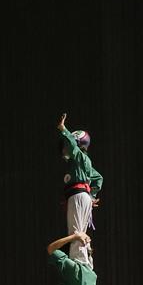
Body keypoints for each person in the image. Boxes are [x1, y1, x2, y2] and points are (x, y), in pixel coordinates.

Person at [57, 112, 103, 263]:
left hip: (77, 196)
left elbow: (72, 146)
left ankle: (79, 261)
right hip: (84, 197)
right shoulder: (85, 162)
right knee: (81, 231)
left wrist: (63, 129)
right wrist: (92, 196)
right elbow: (98, 178)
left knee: (75, 231)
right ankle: (86, 259)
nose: (65, 149)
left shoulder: (78, 156)